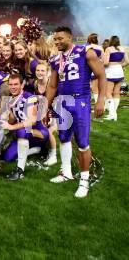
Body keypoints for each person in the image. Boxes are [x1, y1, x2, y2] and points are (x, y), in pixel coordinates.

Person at [46, 26, 105, 198]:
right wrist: (45, 107)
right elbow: (52, 85)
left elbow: (101, 75)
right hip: (63, 101)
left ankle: (84, 181)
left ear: (70, 37)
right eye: (55, 39)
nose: (57, 42)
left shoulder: (85, 51)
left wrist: (101, 99)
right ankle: (66, 172)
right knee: (64, 138)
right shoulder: (56, 59)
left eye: (60, 39)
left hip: (80, 100)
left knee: (82, 142)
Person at [1, 74, 49, 180]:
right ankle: (37, 150)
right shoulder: (10, 99)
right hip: (24, 133)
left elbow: (32, 121)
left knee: (21, 131)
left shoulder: (29, 97)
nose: (13, 87)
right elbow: (13, 119)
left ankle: (20, 171)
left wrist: (12, 127)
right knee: (8, 157)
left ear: (22, 85)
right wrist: (6, 117)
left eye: (16, 84)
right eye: (10, 84)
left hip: (39, 133)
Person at [102, 35, 128, 121]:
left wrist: (100, 64)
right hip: (119, 71)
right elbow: (127, 61)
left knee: (108, 92)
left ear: (111, 41)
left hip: (111, 71)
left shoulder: (108, 49)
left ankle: (112, 114)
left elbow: (105, 63)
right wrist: (120, 65)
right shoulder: (122, 49)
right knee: (117, 93)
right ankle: (113, 113)